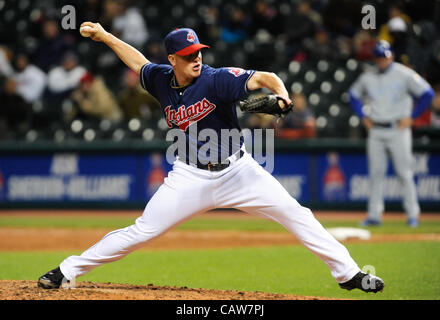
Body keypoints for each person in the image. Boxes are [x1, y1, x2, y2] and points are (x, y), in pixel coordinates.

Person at [37, 23, 384, 294]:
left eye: (198, 51)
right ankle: (68, 270)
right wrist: (106, 36)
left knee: (297, 214)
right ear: (172, 59)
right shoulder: (160, 78)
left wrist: (281, 94)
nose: (196, 58)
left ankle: (348, 274)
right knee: (141, 231)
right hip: (189, 177)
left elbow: (264, 77)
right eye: (188, 54)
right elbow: (138, 61)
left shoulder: (217, 79)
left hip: (238, 171)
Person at [349, 40, 434, 228]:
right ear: (375, 59)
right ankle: (374, 215)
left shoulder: (404, 74)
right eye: (379, 58)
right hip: (376, 130)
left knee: (404, 173)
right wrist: (363, 115)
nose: (382, 61)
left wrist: (412, 116)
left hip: (398, 129)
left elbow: (428, 93)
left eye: (385, 57)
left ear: (391, 56)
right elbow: (353, 95)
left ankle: (413, 215)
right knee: (375, 174)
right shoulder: (368, 76)